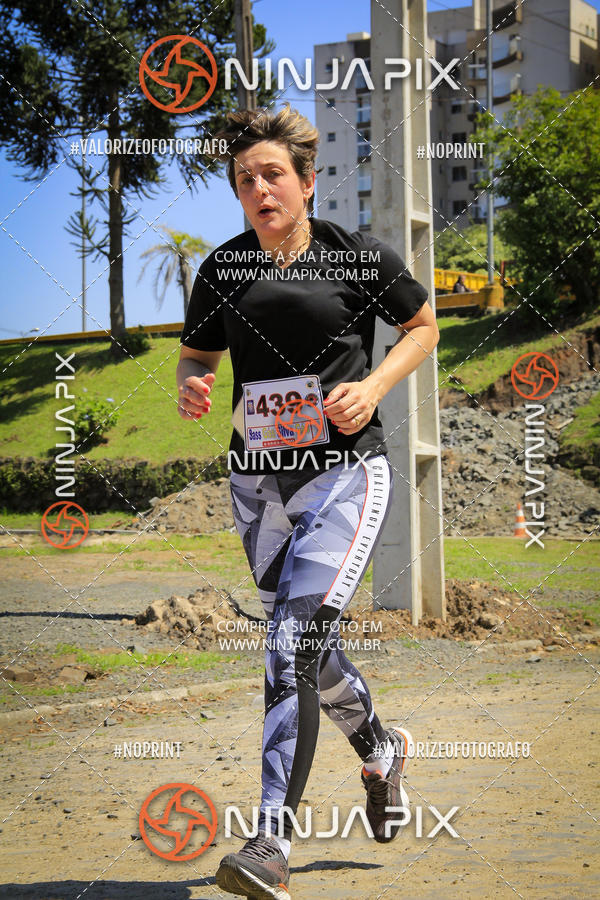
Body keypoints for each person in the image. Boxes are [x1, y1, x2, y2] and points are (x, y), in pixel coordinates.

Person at [176, 104, 440, 900]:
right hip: (258, 486)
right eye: (243, 179)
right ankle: (382, 748)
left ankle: (268, 845)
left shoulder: (356, 257)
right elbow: (198, 349)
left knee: (287, 647)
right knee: (308, 653)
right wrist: (192, 381)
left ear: (306, 182)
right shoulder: (224, 269)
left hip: (346, 475)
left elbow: (424, 324)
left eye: (272, 176)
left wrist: (375, 385)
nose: (258, 189)